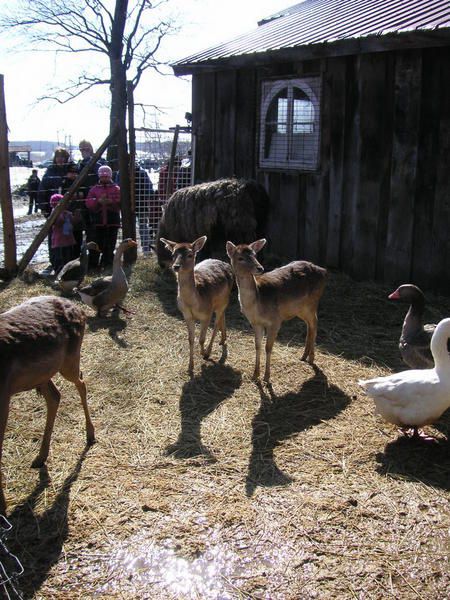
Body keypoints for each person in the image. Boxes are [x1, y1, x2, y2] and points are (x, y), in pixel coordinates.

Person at [37, 147, 76, 274]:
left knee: (69, 235)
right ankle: (54, 261)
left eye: (63, 157)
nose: (60, 159)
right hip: (52, 210)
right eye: (58, 156)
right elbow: (44, 187)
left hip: (68, 210)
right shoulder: (50, 170)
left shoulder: (72, 169)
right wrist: (43, 207)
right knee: (53, 236)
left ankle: (69, 262)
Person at [77, 139, 107, 266]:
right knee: (89, 233)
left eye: (87, 148)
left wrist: (91, 162)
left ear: (92, 148)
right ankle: (92, 261)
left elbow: (103, 174)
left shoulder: (100, 163)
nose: (84, 151)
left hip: (100, 203)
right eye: (82, 149)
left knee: (102, 232)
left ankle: (105, 260)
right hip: (85, 204)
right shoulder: (79, 165)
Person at [86, 165, 121, 268]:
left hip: (112, 221)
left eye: (106, 176)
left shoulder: (116, 188)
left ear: (110, 176)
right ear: (99, 177)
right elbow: (89, 202)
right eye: (102, 176)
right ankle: (93, 264)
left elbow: (120, 201)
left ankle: (107, 263)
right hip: (98, 221)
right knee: (97, 243)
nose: (104, 178)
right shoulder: (94, 189)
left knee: (110, 244)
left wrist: (112, 201)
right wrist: (98, 201)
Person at [49, 193, 76, 275]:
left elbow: (73, 222)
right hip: (59, 240)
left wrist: (76, 218)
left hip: (67, 238)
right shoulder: (55, 214)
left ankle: (68, 271)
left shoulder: (67, 213)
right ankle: (59, 271)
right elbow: (58, 222)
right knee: (59, 257)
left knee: (68, 256)